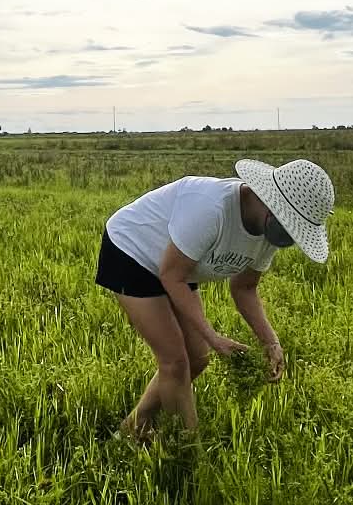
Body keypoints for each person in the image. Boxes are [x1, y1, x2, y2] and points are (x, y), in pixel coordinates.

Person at [96, 157, 334, 435]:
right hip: (132, 251)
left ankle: (133, 426)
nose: (286, 238)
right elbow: (171, 276)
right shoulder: (212, 209)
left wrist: (271, 342)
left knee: (197, 359)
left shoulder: (271, 232)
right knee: (175, 362)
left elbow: (244, 288)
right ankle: (185, 448)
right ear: (269, 202)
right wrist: (213, 336)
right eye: (288, 227)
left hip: (179, 266)